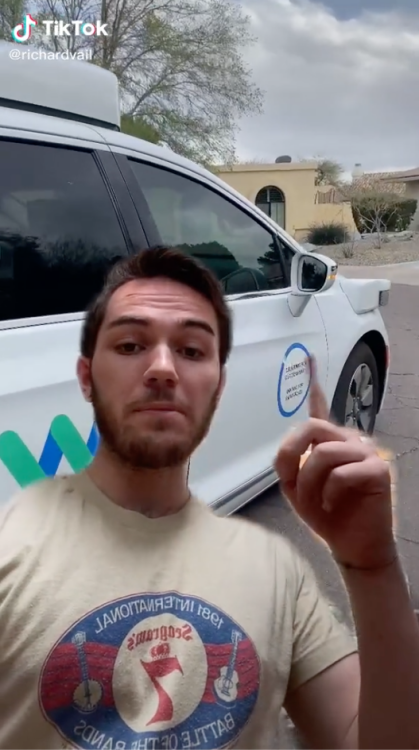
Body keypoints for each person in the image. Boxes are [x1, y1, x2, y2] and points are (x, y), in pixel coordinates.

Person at [0, 245, 418, 750]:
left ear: (218, 387)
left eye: (193, 350)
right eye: (131, 345)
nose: (162, 368)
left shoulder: (275, 571)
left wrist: (372, 566)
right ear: (87, 377)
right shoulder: (12, 551)